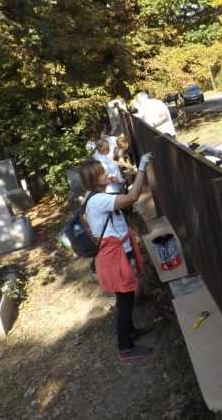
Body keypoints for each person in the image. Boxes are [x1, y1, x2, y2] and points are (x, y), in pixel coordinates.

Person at [79, 152, 155, 361]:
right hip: (112, 254)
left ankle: (130, 331)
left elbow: (120, 192)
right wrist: (141, 168)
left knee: (126, 295)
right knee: (124, 297)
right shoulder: (99, 200)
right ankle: (125, 348)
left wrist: (121, 179)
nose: (106, 173)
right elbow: (132, 198)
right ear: (93, 180)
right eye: (101, 173)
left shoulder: (95, 196)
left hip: (113, 251)